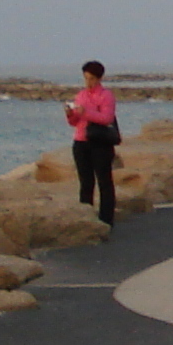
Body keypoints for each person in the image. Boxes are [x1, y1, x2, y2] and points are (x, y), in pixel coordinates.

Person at [65, 60, 121, 225]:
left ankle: (106, 219)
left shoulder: (106, 95)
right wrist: (70, 114)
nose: (88, 83)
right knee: (85, 182)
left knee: (104, 182)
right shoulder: (81, 95)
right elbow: (75, 122)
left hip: (100, 142)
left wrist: (86, 112)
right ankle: (86, 219)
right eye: (86, 78)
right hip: (81, 141)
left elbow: (107, 118)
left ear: (99, 78)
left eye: (91, 79)